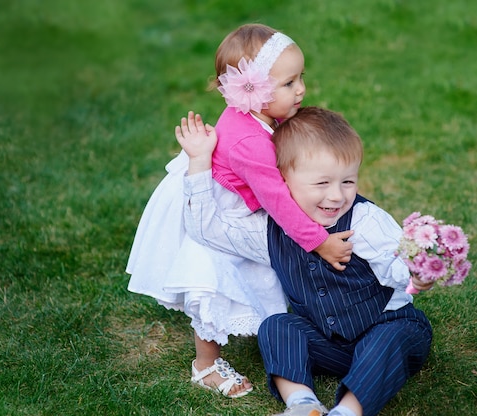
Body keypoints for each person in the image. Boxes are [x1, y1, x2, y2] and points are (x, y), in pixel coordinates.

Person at [125, 24, 351, 398]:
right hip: (214, 214)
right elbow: (278, 202)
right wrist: (319, 242)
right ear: (255, 91)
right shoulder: (249, 142)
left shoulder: (259, 118)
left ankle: (299, 328)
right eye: (289, 83)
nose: (301, 89)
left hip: (234, 204)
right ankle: (206, 365)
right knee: (213, 275)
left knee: (264, 264)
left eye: (301, 78)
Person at [176, 106, 434, 416]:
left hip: (386, 326)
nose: (337, 196)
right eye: (322, 184)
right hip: (327, 344)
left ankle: (347, 411)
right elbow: (207, 229)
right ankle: (302, 403)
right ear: (282, 182)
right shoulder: (267, 230)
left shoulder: (364, 219)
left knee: (391, 338)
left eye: (348, 182)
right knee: (277, 326)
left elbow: (394, 261)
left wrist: (414, 274)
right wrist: (199, 161)